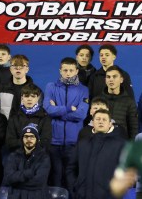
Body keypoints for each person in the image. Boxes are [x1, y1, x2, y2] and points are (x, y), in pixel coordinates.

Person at [44, 57, 89, 190]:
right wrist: (69, 108)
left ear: (76, 71)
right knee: (55, 178)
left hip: (73, 143)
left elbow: (81, 114)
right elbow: (48, 109)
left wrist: (57, 110)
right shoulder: (50, 86)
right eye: (65, 70)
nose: (68, 73)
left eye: (71, 70)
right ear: (60, 71)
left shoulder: (83, 90)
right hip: (53, 143)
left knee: (71, 180)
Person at [71, 108, 125, 199]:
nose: (101, 122)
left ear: (110, 124)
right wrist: (76, 186)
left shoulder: (119, 145)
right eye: (98, 119)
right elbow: (71, 168)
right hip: (82, 195)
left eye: (104, 119)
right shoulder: (82, 144)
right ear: (92, 123)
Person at [2, 125, 51, 199]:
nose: (29, 139)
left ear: (37, 139)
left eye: (32, 137)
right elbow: (8, 178)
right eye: (26, 137)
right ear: (22, 139)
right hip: (17, 196)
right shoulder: (13, 156)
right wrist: (28, 173)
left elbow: (39, 182)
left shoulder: (44, 157)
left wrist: (16, 183)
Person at [5, 84, 52, 153]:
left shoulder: (45, 117)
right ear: (22, 98)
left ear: (38, 98)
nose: (29, 99)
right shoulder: (14, 117)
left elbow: (46, 142)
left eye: (33, 96)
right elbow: (10, 142)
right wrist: (30, 142)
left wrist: (26, 144)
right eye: (26, 96)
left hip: (38, 157)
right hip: (17, 156)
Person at [101, 67, 139, 139]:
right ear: (105, 80)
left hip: (122, 145)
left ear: (121, 80)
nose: (111, 79)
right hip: (101, 144)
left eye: (114, 76)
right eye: (108, 77)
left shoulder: (129, 102)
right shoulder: (99, 100)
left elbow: (134, 128)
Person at [0, 55, 34, 120]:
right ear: (10, 69)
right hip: (6, 127)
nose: (18, 68)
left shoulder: (35, 91)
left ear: (27, 69)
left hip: (26, 128)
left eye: (22, 66)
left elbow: (38, 114)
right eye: (15, 65)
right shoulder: (1, 89)